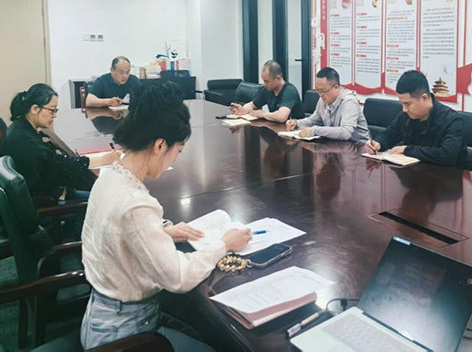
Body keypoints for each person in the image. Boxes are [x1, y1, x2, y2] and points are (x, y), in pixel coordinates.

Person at [80, 82, 252, 350]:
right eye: (178, 151)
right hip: (127, 335)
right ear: (160, 145)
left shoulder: (109, 175)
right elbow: (178, 277)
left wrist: (161, 231)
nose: (176, 159)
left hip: (101, 320)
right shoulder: (136, 204)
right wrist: (224, 244)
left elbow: (116, 232)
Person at [0, 84, 119, 204]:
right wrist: (101, 160)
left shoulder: (20, 128)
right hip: (45, 202)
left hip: (41, 193)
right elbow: (59, 168)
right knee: (106, 198)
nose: (55, 115)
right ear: (35, 109)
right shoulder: (25, 141)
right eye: (52, 110)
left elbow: (54, 164)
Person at [364, 70, 467, 167]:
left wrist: (407, 150)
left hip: (447, 176)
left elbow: (447, 155)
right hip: (414, 173)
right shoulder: (406, 116)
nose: (404, 109)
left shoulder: (451, 120)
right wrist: (378, 143)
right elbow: (389, 134)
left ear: (424, 98)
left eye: (407, 104)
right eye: (402, 104)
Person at [285, 67, 369, 141]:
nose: (320, 95)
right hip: (336, 145)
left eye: (323, 91)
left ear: (336, 87)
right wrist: (296, 123)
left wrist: (315, 130)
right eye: (318, 90)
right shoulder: (323, 100)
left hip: (358, 148)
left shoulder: (349, 101)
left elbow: (346, 132)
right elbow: (313, 120)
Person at [229, 60, 304, 122]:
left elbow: (281, 117)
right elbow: (252, 105)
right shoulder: (267, 90)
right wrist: (243, 110)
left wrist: (262, 114)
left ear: (278, 78)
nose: (264, 84)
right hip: (277, 128)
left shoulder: (290, 91)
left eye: (267, 81)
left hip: (294, 130)